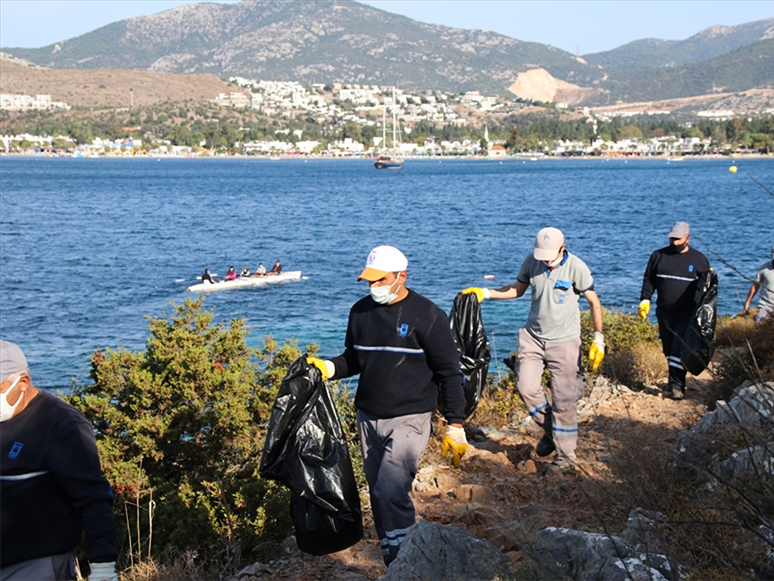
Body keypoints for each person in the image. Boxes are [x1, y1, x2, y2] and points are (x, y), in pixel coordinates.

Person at [307, 245, 468, 566]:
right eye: (369, 281)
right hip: (368, 417)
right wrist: (327, 368)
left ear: (401, 277)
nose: (373, 288)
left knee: (389, 493)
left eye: (380, 281)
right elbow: (355, 358)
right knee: (379, 496)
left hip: (410, 418)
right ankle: (394, 560)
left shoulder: (429, 317)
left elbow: (450, 373)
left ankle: (411, 563)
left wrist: (456, 424)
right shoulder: (360, 313)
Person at [462, 227, 605, 471]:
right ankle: (553, 430)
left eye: (550, 254)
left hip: (566, 342)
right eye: (541, 254)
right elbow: (517, 289)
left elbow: (594, 301)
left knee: (564, 403)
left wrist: (598, 338)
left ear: (563, 247)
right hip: (533, 337)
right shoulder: (532, 261)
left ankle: (565, 460)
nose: (545, 259)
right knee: (526, 387)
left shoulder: (576, 267)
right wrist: (485, 293)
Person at [0, 340, 118, 581]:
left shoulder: (61, 426)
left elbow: (93, 498)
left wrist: (103, 570)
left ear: (22, 382)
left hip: (35, 565)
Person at [638, 221, 711, 400]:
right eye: (672, 238)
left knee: (679, 347)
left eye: (679, 239)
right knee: (669, 347)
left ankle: (677, 385)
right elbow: (649, 279)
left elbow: (708, 286)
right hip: (664, 311)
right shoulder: (658, 256)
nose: (675, 242)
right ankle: (674, 380)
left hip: (688, 312)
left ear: (688, 238)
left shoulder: (698, 260)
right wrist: (645, 299)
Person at [742, 245, 774, 323]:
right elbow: (755, 286)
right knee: (760, 323)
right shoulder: (764, 268)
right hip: (766, 306)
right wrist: (747, 303)